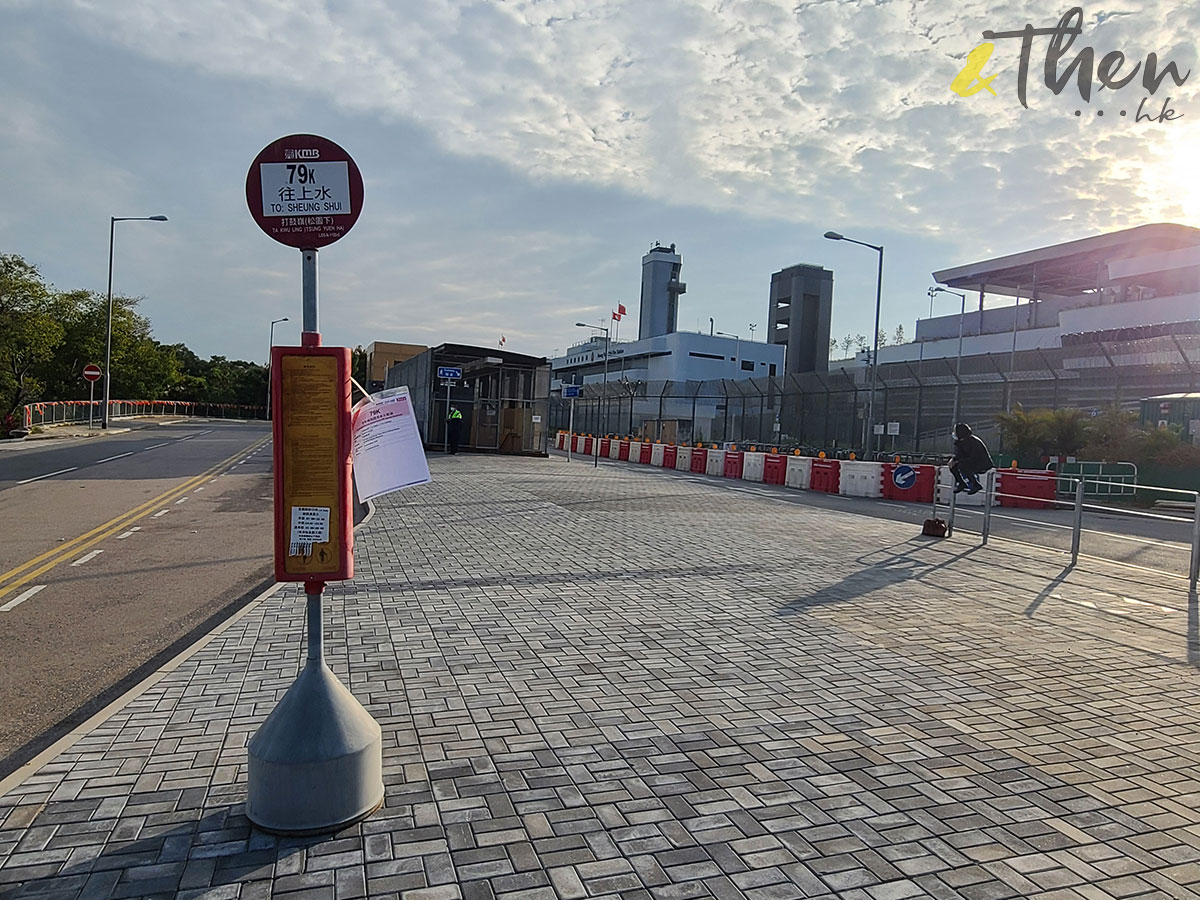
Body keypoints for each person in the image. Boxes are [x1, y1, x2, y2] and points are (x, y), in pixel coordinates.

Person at [950, 422, 992, 494]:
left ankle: (976, 485)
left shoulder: (974, 442)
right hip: (970, 461)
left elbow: (974, 457)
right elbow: (959, 454)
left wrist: (960, 461)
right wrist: (953, 459)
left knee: (962, 466)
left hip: (982, 464)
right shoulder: (960, 442)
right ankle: (961, 483)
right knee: (953, 466)